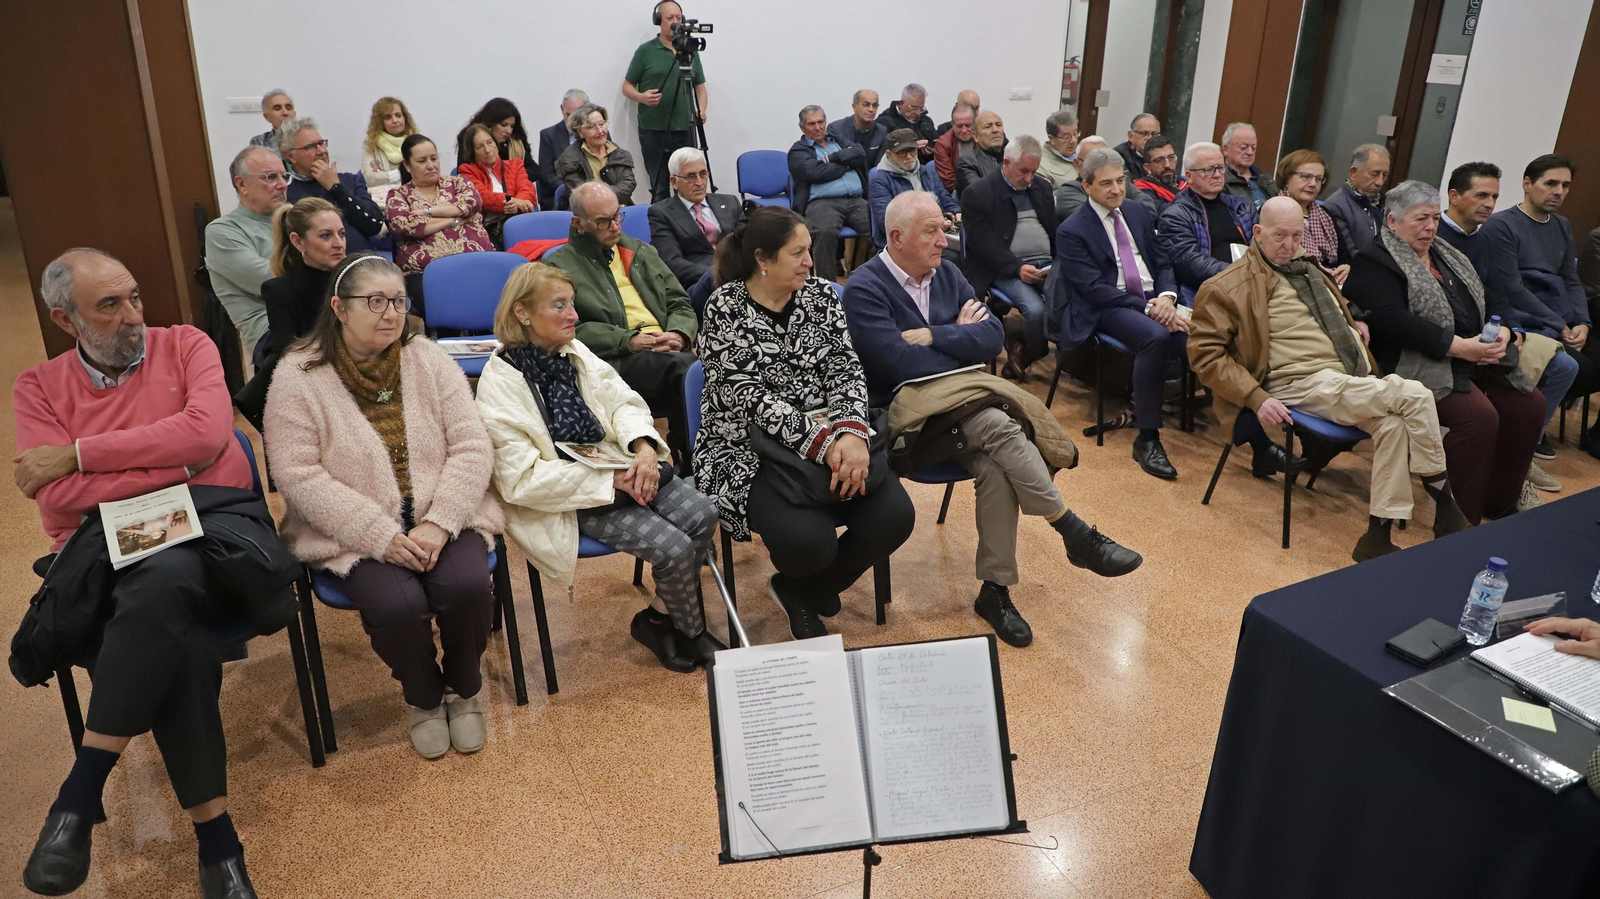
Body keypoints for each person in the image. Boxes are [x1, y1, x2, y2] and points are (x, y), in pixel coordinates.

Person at [15, 248, 285, 899]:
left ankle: (80, 793)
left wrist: (82, 456)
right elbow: (55, 501)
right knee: (174, 617)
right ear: (64, 317)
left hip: (216, 538)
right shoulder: (38, 386)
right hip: (109, 563)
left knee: (165, 574)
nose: (134, 315)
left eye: (134, 296)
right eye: (110, 304)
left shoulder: (186, 343)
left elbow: (209, 435)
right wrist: (177, 463)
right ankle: (218, 847)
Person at [843, 192, 1141, 645]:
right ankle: (1073, 531)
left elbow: (993, 339)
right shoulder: (865, 287)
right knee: (998, 423)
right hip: (906, 420)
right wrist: (960, 338)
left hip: (963, 408)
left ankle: (995, 591)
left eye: (944, 228)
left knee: (996, 463)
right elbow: (898, 365)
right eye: (932, 231)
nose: (944, 241)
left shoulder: (948, 274)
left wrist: (937, 335)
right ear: (897, 237)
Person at [265, 253, 502, 760]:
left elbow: (472, 444)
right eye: (374, 301)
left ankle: (463, 689)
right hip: (352, 528)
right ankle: (423, 698)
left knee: (465, 587)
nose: (390, 313)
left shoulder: (428, 358)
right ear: (339, 308)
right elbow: (297, 475)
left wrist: (440, 523)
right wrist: (379, 535)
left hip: (444, 511)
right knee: (397, 606)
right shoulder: (298, 374)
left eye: (398, 300)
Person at [475, 262, 724, 670]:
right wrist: (610, 479)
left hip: (624, 466)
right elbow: (521, 480)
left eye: (572, 303)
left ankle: (659, 618)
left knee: (703, 514)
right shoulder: (498, 384)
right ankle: (693, 631)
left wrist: (644, 448)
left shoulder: (575, 351)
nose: (574, 315)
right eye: (559, 305)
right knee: (674, 547)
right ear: (522, 312)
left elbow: (623, 401)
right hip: (573, 496)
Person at [1189, 197, 1469, 560]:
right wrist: (1257, 398)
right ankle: (1445, 503)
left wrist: (1354, 321)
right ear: (1257, 233)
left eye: (1297, 235)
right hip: (1295, 383)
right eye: (1279, 236)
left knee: (1394, 425)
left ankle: (1376, 538)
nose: (1290, 245)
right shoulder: (1226, 286)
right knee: (1413, 394)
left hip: (1340, 378)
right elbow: (1206, 357)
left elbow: (1334, 311)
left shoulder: (1308, 268)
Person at [694, 206, 916, 639]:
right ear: (763, 258)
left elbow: (844, 368)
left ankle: (802, 591)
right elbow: (751, 398)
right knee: (809, 544)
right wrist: (827, 444)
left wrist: (851, 432)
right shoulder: (725, 308)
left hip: (829, 436)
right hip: (743, 450)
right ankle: (810, 580)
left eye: (809, 251)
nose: (810, 262)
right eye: (797, 253)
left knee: (894, 516)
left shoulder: (822, 295)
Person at [1344, 180, 1545, 524]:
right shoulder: (1374, 260)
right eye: (1421, 219)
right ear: (1392, 222)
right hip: (1416, 363)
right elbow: (1396, 323)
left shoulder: (1448, 254)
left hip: (1472, 353)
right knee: (1479, 419)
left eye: (1435, 218)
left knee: (1529, 405)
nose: (1431, 227)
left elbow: (1491, 294)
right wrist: (1460, 348)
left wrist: (1505, 334)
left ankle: (1498, 504)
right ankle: (1458, 519)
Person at [1440, 160, 1581, 482]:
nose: (1490, 204)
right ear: (1454, 196)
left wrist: (1512, 328)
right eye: (1481, 196)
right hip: (1456, 337)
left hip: (1496, 328)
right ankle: (1505, 459)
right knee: (1556, 367)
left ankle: (1519, 455)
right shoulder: (1436, 236)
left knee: (1564, 365)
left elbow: (1499, 293)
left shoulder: (1483, 237)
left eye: (1493, 196)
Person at [545, 182, 698, 469]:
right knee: (687, 369)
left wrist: (678, 333)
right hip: (616, 356)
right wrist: (627, 340)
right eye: (603, 221)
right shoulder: (559, 267)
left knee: (697, 365)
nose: (615, 226)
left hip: (664, 348)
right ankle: (689, 460)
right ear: (578, 223)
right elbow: (568, 329)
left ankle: (695, 454)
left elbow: (679, 302)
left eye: (618, 216)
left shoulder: (641, 252)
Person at [1055, 146, 1185, 480]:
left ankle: (1253, 439)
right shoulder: (1072, 229)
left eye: (1120, 181)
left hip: (1154, 298)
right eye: (1105, 184)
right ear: (1086, 186)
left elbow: (1162, 261)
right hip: (1108, 304)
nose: (1115, 190)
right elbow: (1093, 289)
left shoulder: (1137, 212)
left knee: (1205, 334)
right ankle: (1147, 437)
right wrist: (1147, 306)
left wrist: (1167, 298)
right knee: (1155, 337)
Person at [1479, 155, 1596, 462]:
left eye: (1566, 185)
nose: (1559, 191)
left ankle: (1534, 424)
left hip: (1558, 316)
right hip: (1524, 316)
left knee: (1597, 358)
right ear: (1527, 185)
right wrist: (1560, 325)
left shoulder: (1561, 225)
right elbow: (1513, 288)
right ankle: (1530, 434)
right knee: (1578, 367)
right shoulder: (1501, 226)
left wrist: (1583, 322)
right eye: (1551, 183)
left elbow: (1571, 280)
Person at [234, 197, 347, 430]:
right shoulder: (280, 291)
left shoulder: (356, 281)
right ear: (298, 242)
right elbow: (289, 354)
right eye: (326, 236)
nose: (339, 243)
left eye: (342, 234)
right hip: (309, 386)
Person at [963, 135, 1057, 379]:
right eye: (1023, 171)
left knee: (1071, 303)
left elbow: (1053, 231)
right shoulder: (979, 193)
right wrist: (1017, 268)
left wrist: (1059, 264)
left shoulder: (1042, 188)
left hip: (1047, 266)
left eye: (1033, 172)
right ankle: (1033, 351)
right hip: (1002, 269)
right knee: (1036, 311)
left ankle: (1020, 347)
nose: (1029, 179)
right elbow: (983, 245)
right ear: (1006, 163)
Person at [384, 134, 494, 315]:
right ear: (407, 165)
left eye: (434, 158)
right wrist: (453, 219)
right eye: (422, 160)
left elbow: (472, 202)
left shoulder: (458, 182)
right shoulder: (398, 195)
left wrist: (428, 212)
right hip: (424, 273)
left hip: (476, 264)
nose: (431, 165)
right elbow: (403, 225)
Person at [206, 146, 287, 358]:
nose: (282, 184)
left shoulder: (294, 219)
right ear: (241, 184)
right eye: (270, 177)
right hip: (270, 332)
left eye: (284, 175)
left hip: (317, 316)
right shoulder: (223, 231)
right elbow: (270, 281)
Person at [624, 0, 708, 203]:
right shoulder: (646, 51)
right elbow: (627, 86)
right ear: (658, 21)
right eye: (670, 18)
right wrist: (642, 97)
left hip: (685, 127)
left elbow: (700, 87)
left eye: (679, 18)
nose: (676, 22)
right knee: (660, 186)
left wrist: (701, 110)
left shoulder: (690, 51)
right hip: (654, 129)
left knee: (689, 183)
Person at [647, 146, 743, 310]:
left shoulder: (730, 202)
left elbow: (748, 241)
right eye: (690, 176)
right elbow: (672, 263)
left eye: (703, 174)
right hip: (698, 283)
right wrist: (719, 272)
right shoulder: (661, 213)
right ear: (674, 182)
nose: (699, 182)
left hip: (739, 275)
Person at [1159, 141, 1253, 306]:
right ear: (1189, 176)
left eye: (1220, 168)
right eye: (1208, 170)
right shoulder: (1176, 215)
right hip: (1209, 292)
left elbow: (1262, 245)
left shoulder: (1242, 207)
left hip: (1250, 284)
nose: (1217, 175)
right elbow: (1189, 262)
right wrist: (1238, 274)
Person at [788, 104, 872, 281]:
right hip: (822, 203)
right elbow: (815, 173)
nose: (818, 127)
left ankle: (872, 281)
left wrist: (833, 158)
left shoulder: (838, 140)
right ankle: (827, 288)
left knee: (881, 226)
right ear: (803, 128)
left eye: (821, 122)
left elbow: (860, 153)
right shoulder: (798, 151)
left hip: (857, 201)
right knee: (824, 232)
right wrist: (847, 165)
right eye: (812, 124)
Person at [280, 117, 387, 254]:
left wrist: (336, 187)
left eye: (322, 143)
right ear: (291, 157)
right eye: (311, 147)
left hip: (364, 266)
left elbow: (374, 224)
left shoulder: (350, 180)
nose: (321, 151)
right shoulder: (286, 193)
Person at [869, 129, 960, 249]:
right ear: (889, 154)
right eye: (902, 152)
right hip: (905, 240)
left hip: (940, 231)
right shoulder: (880, 180)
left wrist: (957, 212)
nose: (909, 157)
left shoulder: (927, 172)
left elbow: (944, 197)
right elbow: (886, 221)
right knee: (953, 257)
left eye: (912, 151)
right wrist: (932, 226)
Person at [459, 123, 539, 249]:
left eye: (490, 142)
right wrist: (510, 202)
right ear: (472, 152)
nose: (487, 149)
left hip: (519, 218)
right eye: (480, 146)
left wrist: (516, 206)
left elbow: (527, 190)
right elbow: (482, 197)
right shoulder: (467, 171)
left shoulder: (515, 165)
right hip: (490, 227)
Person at [1275, 148, 1347, 284]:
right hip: (1292, 281)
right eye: (1305, 176)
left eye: (1318, 179)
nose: (1313, 184)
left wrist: (1346, 267)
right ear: (1287, 177)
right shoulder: (1274, 210)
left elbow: (1345, 256)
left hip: (1333, 281)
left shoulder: (1326, 214)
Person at [554, 103, 638, 208]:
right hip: (585, 214)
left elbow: (628, 186)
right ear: (580, 132)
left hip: (619, 208)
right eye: (591, 127)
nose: (600, 131)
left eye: (602, 124)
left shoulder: (621, 154)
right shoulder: (569, 158)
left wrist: (601, 196)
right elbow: (581, 194)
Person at [1325, 143, 1390, 262]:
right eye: (1374, 174)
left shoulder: (1385, 204)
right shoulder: (1335, 206)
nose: (1380, 182)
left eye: (1384, 175)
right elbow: (1351, 257)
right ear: (1354, 172)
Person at [464, 97, 540, 192]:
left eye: (511, 126)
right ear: (490, 123)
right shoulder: (470, 141)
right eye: (504, 125)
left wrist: (515, 179)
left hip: (516, 193)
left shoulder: (515, 143)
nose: (509, 131)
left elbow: (534, 169)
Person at [537, 89, 590, 211]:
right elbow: (546, 175)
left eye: (576, 115)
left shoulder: (598, 133)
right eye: (568, 115)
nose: (572, 121)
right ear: (562, 109)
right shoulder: (549, 135)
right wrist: (574, 188)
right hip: (563, 196)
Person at [360, 97, 418, 207]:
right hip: (383, 203)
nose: (395, 120)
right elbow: (369, 178)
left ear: (405, 118)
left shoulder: (415, 142)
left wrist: (382, 173)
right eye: (388, 117)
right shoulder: (371, 144)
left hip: (414, 199)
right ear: (380, 122)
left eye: (398, 115)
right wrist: (403, 173)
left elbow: (423, 175)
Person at [1220, 123, 1278, 211]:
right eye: (1243, 148)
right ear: (1226, 149)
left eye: (1253, 148)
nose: (1250, 152)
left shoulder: (1265, 179)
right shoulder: (1218, 179)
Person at [877, 83, 939, 164]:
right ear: (902, 103)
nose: (918, 113)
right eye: (913, 107)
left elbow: (936, 141)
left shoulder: (926, 121)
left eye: (921, 108)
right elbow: (885, 151)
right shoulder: (885, 122)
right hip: (899, 166)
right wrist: (911, 146)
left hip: (925, 165)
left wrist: (933, 149)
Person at [828, 89, 889, 169]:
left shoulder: (881, 132)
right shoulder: (836, 129)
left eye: (874, 105)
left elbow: (879, 167)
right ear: (854, 107)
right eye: (866, 105)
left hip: (870, 178)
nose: (871, 110)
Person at [1054, 135, 1108, 220]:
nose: (1101, 167)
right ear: (1077, 164)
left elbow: (1135, 208)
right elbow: (1092, 219)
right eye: (1093, 163)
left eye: (1105, 161)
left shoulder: (1121, 181)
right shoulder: (1069, 191)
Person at [955, 111, 1007, 197]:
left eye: (998, 125)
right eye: (988, 126)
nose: (995, 130)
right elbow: (980, 195)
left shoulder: (1013, 158)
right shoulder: (967, 163)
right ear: (975, 136)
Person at [1130, 134, 1185, 216]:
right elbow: (1161, 212)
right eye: (1159, 160)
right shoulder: (1142, 187)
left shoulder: (1187, 182)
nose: (1167, 165)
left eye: (1171, 157)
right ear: (1147, 167)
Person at [932, 102, 977, 193]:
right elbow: (949, 181)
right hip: (957, 191)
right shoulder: (943, 144)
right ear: (952, 124)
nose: (964, 130)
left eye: (968, 125)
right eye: (959, 126)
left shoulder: (984, 138)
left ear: (975, 122)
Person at [1037, 108, 1080, 190]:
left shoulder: (1082, 156)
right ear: (1052, 138)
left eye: (1075, 133)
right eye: (1066, 137)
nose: (1073, 140)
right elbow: (1047, 199)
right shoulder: (1041, 166)